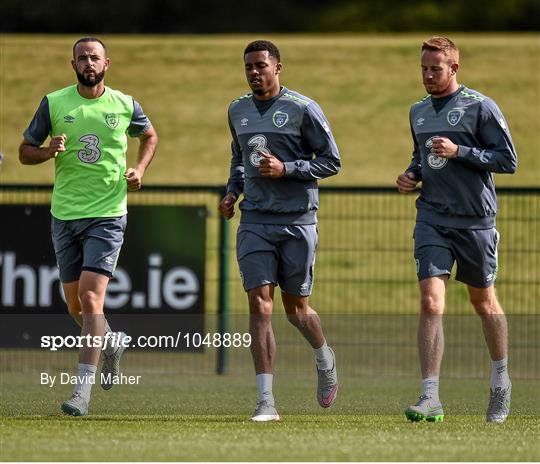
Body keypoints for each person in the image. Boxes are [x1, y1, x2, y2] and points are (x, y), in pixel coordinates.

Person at [19, 37, 158, 416]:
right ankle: (112, 343)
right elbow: (24, 151)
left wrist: (140, 169)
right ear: (73, 64)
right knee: (75, 306)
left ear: (106, 63)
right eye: (82, 58)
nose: (88, 63)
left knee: (92, 299)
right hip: (64, 214)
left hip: (108, 213)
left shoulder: (124, 104)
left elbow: (149, 136)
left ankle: (81, 392)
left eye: (94, 57)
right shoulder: (54, 102)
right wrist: (48, 150)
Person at [218, 40, 341, 421]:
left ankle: (324, 359)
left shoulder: (303, 109)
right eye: (248, 67)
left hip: (297, 220)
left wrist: (287, 169)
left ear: (278, 67)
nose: (254, 72)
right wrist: (232, 192)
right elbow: (240, 160)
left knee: (296, 310)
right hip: (254, 220)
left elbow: (332, 162)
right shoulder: (237, 110)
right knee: (259, 305)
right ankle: (266, 402)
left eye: (260, 65)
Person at [396, 37, 517, 423]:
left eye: (436, 69)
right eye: (423, 69)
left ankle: (500, 382)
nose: (428, 76)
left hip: (475, 221)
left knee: (483, 303)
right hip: (432, 217)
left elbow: (507, 160)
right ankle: (430, 397)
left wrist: (460, 151)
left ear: (454, 69)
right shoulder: (417, 111)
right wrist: (412, 174)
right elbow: (422, 155)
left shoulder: (480, 106)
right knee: (431, 302)